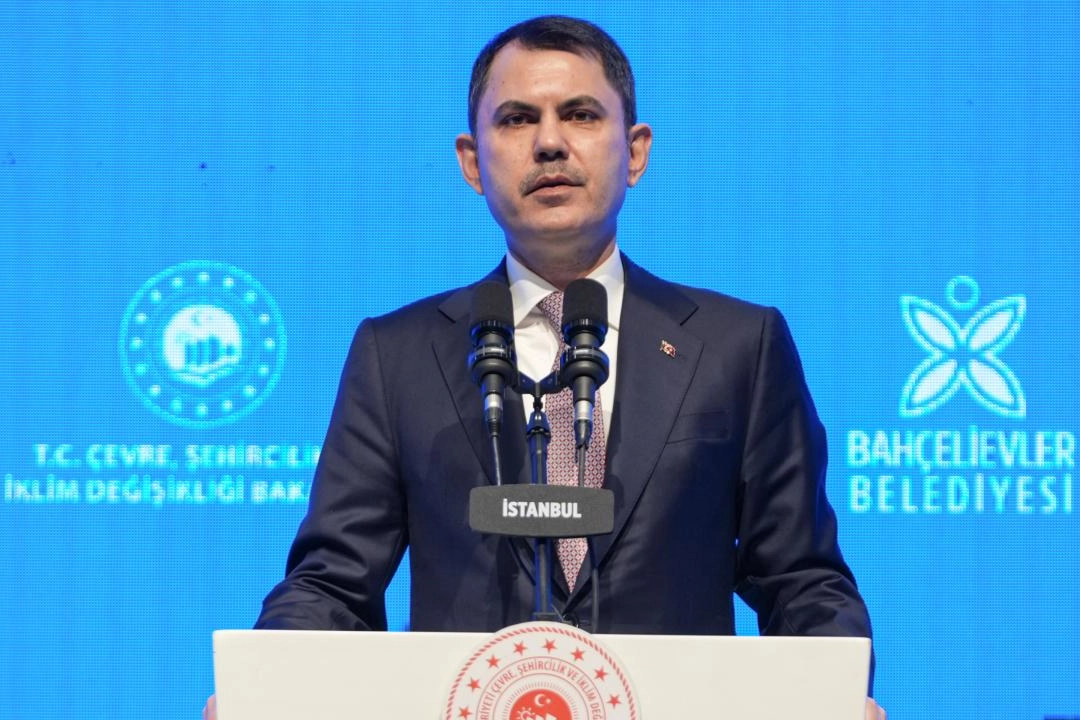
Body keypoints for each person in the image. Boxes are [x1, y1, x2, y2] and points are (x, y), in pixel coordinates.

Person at [206, 15, 885, 719]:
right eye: (517, 119)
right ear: (473, 161)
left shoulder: (738, 345)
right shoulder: (398, 354)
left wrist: (838, 694)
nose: (551, 142)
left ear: (635, 152)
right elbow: (333, 584)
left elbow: (801, 579)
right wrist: (265, 689)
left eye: (582, 115)